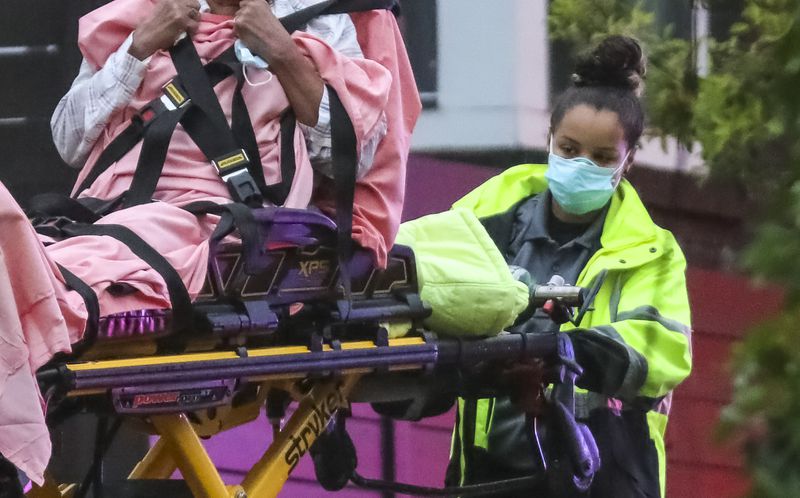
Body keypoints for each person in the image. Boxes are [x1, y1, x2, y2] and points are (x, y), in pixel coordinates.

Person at [0, 0, 419, 487]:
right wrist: (137, 48)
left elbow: (356, 157)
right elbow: (68, 140)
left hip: (204, 228)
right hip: (99, 219)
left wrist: (282, 53)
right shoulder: (145, 15)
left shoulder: (318, 21)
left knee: (40, 274)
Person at [447, 35, 692, 497]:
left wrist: (558, 352)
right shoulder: (481, 219)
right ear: (549, 140)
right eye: (569, 149)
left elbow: (660, 351)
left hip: (606, 475)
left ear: (629, 161)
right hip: (488, 475)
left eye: (602, 158)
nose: (582, 166)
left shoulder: (653, 252)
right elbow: (430, 288)